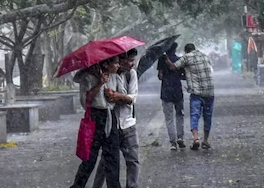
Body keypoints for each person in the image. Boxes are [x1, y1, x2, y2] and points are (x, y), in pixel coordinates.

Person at [70, 56, 121, 188]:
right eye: (115, 63)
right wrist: (99, 83)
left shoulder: (114, 76)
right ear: (105, 63)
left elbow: (119, 97)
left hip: (110, 117)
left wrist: (113, 95)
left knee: (112, 157)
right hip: (95, 117)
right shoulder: (87, 77)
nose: (118, 66)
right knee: (89, 159)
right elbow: (86, 101)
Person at [92, 48, 140, 188]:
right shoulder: (107, 75)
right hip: (110, 125)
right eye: (128, 60)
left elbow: (132, 98)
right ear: (120, 60)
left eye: (133, 60)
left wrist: (118, 96)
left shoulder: (131, 74)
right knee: (106, 161)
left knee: (133, 160)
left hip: (127, 123)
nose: (131, 63)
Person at [166, 43, 214, 150]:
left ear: (186, 51)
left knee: (195, 115)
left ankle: (196, 139)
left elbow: (173, 66)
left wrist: (166, 58)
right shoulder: (204, 56)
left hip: (197, 93)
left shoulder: (187, 57)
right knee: (208, 116)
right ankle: (205, 141)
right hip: (210, 92)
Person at [157, 42, 186, 150]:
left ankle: (173, 143)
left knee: (169, 118)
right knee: (180, 115)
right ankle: (180, 137)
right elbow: (183, 75)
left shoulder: (161, 60)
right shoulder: (179, 60)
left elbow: (160, 76)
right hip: (177, 90)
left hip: (166, 91)